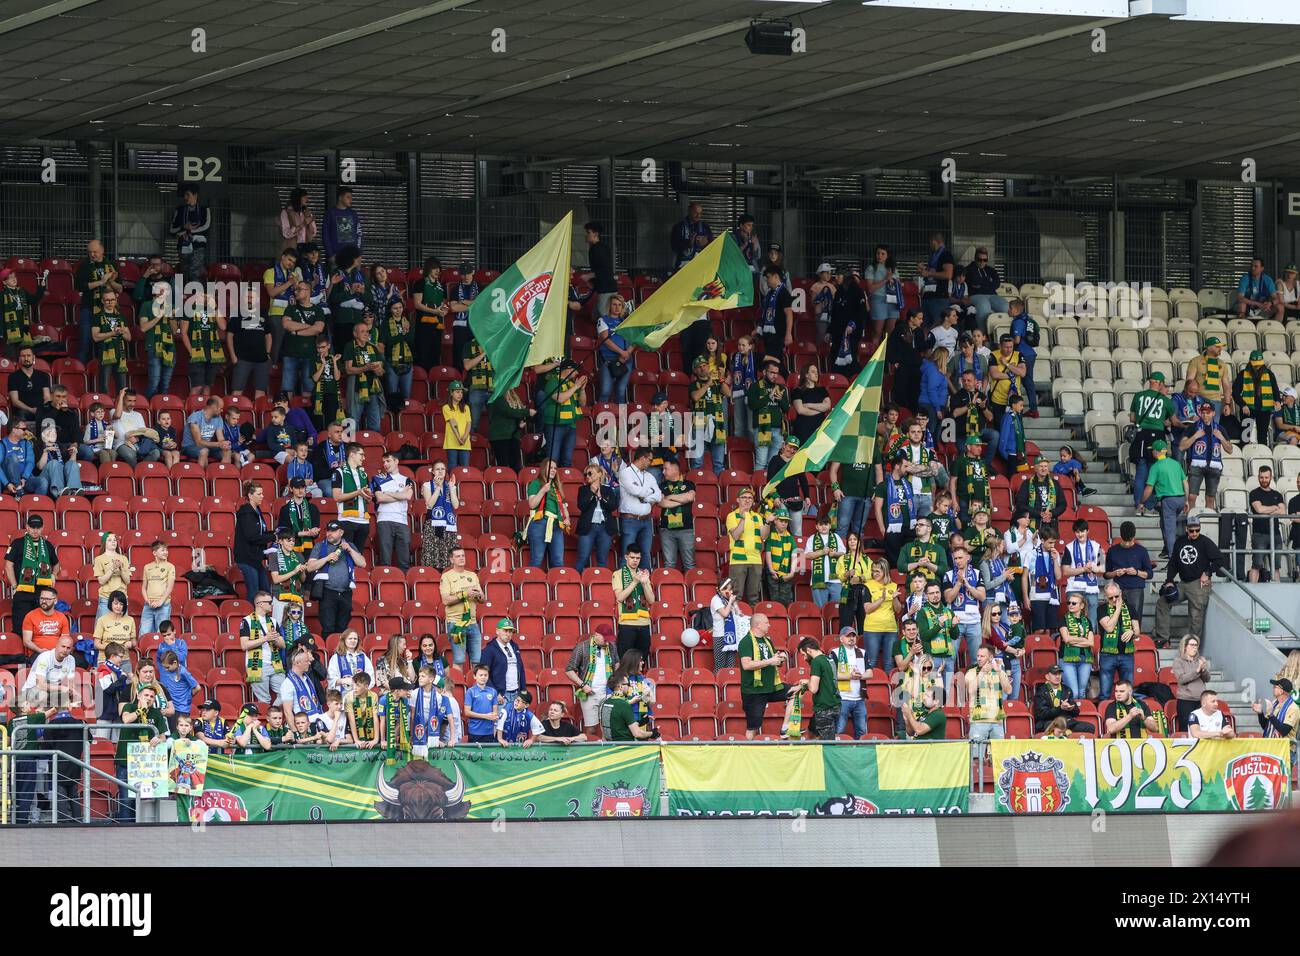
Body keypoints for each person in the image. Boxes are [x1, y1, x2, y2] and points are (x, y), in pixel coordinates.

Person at [1154, 513, 1224, 647]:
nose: (1194, 533)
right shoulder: (1180, 541)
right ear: (1186, 529)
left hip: (1198, 583)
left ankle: (1192, 646)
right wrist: (1169, 580)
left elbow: (1220, 559)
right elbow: (1173, 563)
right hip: (1182, 583)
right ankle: (1163, 639)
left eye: (1197, 530)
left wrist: (1207, 573)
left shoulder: (1205, 542)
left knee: (1195, 616)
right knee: (1162, 603)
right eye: (1191, 530)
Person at [115, 684, 169, 821]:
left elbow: (163, 737)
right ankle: (125, 829)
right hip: (125, 761)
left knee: (143, 798)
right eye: (146, 695)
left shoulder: (156, 713)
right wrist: (141, 710)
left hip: (145, 764)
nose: (149, 698)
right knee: (126, 799)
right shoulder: (130, 706)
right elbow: (126, 719)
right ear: (139, 696)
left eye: (152, 697)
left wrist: (158, 739)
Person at [308, 520, 367, 639]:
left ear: (341, 532)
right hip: (327, 592)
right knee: (328, 628)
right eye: (328, 531)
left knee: (342, 629)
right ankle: (329, 656)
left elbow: (362, 563)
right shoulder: (319, 546)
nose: (329, 534)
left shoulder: (349, 545)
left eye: (333, 531)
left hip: (345, 592)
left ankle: (340, 655)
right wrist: (326, 558)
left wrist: (350, 550)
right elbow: (310, 567)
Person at [738, 613, 789, 740]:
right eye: (766, 622)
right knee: (753, 727)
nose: (769, 625)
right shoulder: (746, 641)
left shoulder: (767, 641)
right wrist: (770, 661)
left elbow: (773, 663)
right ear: (758, 625)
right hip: (754, 691)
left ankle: (786, 727)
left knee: (797, 690)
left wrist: (779, 659)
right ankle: (748, 753)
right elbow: (746, 665)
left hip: (771, 687)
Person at [565, 622, 619, 739]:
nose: (607, 642)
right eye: (605, 639)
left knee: (609, 725)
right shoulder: (582, 647)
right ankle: (591, 750)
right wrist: (583, 685)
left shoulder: (612, 646)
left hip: (608, 691)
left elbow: (617, 663)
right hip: (589, 692)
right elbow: (569, 670)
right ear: (596, 635)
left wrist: (616, 679)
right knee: (591, 727)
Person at [6, 514, 56, 631]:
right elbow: (8, 566)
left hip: (42, 593)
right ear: (27, 527)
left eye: (38, 527)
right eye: (32, 527)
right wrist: (14, 585)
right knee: (20, 627)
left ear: (42, 528)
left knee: (41, 627)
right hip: (22, 591)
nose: (35, 530)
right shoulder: (17, 543)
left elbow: (57, 564)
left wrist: (53, 574)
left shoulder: (48, 545)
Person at [1179, 400, 1231, 513]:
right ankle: (1191, 521)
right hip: (1196, 465)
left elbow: (1230, 449)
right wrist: (1195, 437)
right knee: (1191, 496)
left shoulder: (1219, 428)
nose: (1205, 415)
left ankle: (1209, 524)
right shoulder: (1193, 427)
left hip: (1214, 466)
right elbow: (1182, 446)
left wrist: (1221, 438)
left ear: (1213, 413)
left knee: (1210, 498)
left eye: (1208, 412)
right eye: (1203, 412)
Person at [1138, 440, 1187, 557]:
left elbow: (1149, 488)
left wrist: (1141, 502)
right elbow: (1185, 482)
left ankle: (1172, 561)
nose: (1152, 452)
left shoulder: (1155, 467)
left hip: (1168, 501)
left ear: (1156, 452)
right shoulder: (1176, 463)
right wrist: (1186, 500)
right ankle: (1167, 550)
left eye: (1153, 450)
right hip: (1180, 499)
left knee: (1170, 532)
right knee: (1165, 524)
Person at [439, 545, 484, 667]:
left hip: (473, 623)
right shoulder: (446, 576)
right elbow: (445, 600)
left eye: (463, 555)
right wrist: (465, 594)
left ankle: (476, 686)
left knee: (477, 661)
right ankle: (459, 686)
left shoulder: (472, 575)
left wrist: (478, 596)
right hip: (456, 624)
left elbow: (483, 599)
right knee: (459, 660)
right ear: (451, 560)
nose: (461, 558)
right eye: (458, 556)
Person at [790, 637, 841, 741]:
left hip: (824, 708)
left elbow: (813, 688)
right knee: (811, 732)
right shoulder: (829, 659)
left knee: (828, 744)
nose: (804, 658)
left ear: (809, 650)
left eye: (804, 654)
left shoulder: (816, 662)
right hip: (834, 704)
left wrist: (806, 682)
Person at [724, 486, 769, 604]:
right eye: (744, 497)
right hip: (738, 560)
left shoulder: (757, 516)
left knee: (754, 597)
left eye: (750, 498)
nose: (747, 500)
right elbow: (736, 535)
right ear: (738, 500)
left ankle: (753, 621)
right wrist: (743, 519)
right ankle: (735, 621)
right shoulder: (732, 516)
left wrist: (768, 522)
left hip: (755, 559)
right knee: (736, 596)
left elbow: (764, 536)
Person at [370, 452, 413, 570]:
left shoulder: (406, 480)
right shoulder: (377, 479)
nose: (385, 464)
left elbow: (408, 496)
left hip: (402, 521)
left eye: (388, 461)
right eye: (383, 462)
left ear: (396, 461)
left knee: (404, 560)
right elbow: (380, 498)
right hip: (384, 520)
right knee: (385, 560)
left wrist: (388, 493)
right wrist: (400, 493)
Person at [524, 458, 570, 569]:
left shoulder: (557, 487)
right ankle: (532, 585)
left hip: (557, 525)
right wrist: (543, 490)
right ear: (544, 469)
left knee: (558, 561)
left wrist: (567, 518)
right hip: (540, 522)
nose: (554, 470)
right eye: (551, 468)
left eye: (555, 468)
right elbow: (532, 504)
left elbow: (564, 508)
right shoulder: (535, 484)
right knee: (537, 559)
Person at [233, 481, 274, 602]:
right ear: (250, 496)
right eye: (259, 494)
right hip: (246, 558)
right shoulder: (246, 512)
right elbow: (252, 536)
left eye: (262, 494)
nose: (262, 496)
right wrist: (273, 537)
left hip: (256, 559)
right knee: (254, 592)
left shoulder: (257, 511)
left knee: (265, 591)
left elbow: (262, 532)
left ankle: (263, 619)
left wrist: (275, 534)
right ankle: (251, 619)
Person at [1104, 521, 1153, 623]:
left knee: (1134, 618)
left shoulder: (1141, 551)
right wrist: (1115, 573)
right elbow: (1106, 574)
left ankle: (1135, 637)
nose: (1127, 544)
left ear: (1134, 537)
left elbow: (1150, 574)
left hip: (1136, 590)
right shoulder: (1112, 551)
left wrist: (1137, 572)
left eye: (1129, 541)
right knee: (1116, 619)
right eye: (1124, 541)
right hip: (1117, 590)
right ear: (1121, 536)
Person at [748, 357, 790, 472]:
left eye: (776, 373)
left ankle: (770, 490)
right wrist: (768, 397)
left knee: (773, 465)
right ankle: (759, 488)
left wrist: (781, 399)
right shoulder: (755, 386)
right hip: (762, 429)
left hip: (778, 430)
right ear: (765, 372)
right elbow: (752, 406)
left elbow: (787, 409)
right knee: (761, 463)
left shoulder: (781, 388)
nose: (774, 376)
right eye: (772, 372)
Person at [688, 354, 728, 475]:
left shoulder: (717, 384)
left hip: (718, 424)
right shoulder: (693, 385)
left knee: (719, 464)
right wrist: (708, 383)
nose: (703, 368)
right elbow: (695, 396)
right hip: (700, 424)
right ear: (695, 370)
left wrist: (721, 378)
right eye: (699, 367)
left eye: (705, 365)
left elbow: (728, 393)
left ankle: (719, 492)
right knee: (697, 463)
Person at [612, 545, 655, 658]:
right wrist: (635, 582)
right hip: (627, 624)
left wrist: (645, 583)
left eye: (638, 558)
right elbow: (620, 598)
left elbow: (651, 600)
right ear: (626, 557)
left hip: (644, 623)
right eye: (632, 557)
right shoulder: (618, 574)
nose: (635, 560)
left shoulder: (644, 574)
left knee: (642, 659)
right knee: (625, 659)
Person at [418, 459, 459, 570]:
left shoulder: (450, 485)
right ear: (433, 471)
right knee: (432, 553)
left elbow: (455, 505)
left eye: (443, 469)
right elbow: (430, 504)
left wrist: (450, 488)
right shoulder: (427, 485)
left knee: (447, 553)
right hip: (433, 524)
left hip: (448, 525)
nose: (440, 471)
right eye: (437, 469)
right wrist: (438, 488)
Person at [656, 457, 696, 571]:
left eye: (665, 469)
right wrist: (682, 500)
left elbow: (690, 497)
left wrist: (670, 497)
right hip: (666, 530)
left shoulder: (689, 484)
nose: (663, 472)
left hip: (686, 529)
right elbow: (661, 503)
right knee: (669, 565)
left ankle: (690, 588)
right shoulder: (661, 485)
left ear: (675, 469)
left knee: (690, 564)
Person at [332, 441, 373, 553]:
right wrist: (358, 492)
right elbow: (336, 497)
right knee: (345, 555)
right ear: (352, 454)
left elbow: (368, 500)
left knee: (359, 554)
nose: (363, 458)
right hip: (347, 519)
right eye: (361, 454)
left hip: (363, 520)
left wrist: (368, 495)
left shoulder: (363, 474)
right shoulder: (339, 472)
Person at [966, 644, 1011, 743]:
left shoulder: (999, 672)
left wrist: (999, 672)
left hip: (997, 721)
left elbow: (1008, 690)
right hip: (978, 720)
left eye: (982, 656)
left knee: (998, 756)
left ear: (991, 657)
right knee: (976, 755)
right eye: (978, 656)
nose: (978, 658)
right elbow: (970, 690)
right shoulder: (971, 672)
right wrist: (982, 672)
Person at [1249, 465, 1286, 582]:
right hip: (1259, 534)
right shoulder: (1254, 493)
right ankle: (1252, 592)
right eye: (1261, 477)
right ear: (1258, 477)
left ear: (1271, 477)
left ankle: (1278, 593)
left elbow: (1283, 512)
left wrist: (1267, 509)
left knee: (1276, 566)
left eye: (1266, 477)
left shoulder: (1277, 494)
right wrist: (1275, 507)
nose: (1264, 480)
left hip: (1275, 534)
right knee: (1257, 564)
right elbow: (1259, 510)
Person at [916, 580, 958, 687]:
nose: (935, 595)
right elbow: (924, 636)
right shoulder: (922, 612)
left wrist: (953, 626)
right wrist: (939, 625)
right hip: (932, 658)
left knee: (948, 693)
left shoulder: (949, 611)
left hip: (948, 657)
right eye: (931, 593)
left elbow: (955, 635)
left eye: (937, 592)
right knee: (934, 692)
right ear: (926, 595)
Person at [1234, 350, 1279, 443]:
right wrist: (1243, 405)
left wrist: (1278, 401)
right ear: (1250, 362)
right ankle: (1244, 453)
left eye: (1259, 364)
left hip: (1264, 410)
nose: (1257, 366)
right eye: (1255, 364)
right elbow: (1235, 392)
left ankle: (1262, 456)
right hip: (1248, 410)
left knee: (1262, 437)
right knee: (1245, 436)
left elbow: (1275, 390)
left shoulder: (1269, 374)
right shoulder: (1242, 374)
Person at [1057, 592, 1095, 700]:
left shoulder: (1087, 621)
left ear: (1082, 606)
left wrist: (1075, 640)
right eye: (1068, 603)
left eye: (1074, 603)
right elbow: (1066, 639)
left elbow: (1091, 643)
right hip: (1067, 660)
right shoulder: (1063, 619)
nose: (1070, 605)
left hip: (1085, 659)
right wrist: (1084, 640)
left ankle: (1081, 716)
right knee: (1074, 692)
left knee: (1082, 692)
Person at [1032, 664, 1090, 734]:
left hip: (1065, 721)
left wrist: (1071, 708)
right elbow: (1041, 714)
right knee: (1055, 726)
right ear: (1047, 676)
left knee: (1089, 727)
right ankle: (1066, 733)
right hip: (1048, 721)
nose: (1057, 676)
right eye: (1054, 674)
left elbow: (1076, 712)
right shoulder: (1041, 691)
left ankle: (1067, 733)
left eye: (1059, 674)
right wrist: (1060, 708)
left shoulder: (1067, 690)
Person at [480, 618, 526, 707]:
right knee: (500, 720)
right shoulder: (489, 650)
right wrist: (495, 693)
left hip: (516, 693)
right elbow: (483, 673)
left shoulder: (514, 646)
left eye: (510, 631)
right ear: (497, 631)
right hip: (501, 695)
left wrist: (523, 690)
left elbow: (520, 668)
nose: (508, 634)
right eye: (505, 631)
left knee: (515, 720)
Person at [804, 513, 844, 609]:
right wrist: (822, 552)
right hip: (818, 580)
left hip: (836, 579)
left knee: (838, 608)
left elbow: (844, 553)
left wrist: (835, 554)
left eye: (826, 524)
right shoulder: (812, 538)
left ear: (830, 525)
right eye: (821, 524)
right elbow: (807, 555)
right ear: (816, 526)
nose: (824, 527)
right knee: (820, 609)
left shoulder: (836, 537)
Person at [1007, 298, 1040, 416]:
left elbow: (1016, 340)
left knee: (1019, 379)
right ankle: (1032, 409)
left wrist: (1005, 342)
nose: (1008, 310)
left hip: (1022, 354)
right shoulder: (1028, 319)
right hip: (1030, 353)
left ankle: (1021, 407)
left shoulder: (1018, 322)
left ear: (1015, 310)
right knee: (1027, 381)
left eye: (1010, 308)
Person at [1171, 635, 1211, 731]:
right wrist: (1197, 671)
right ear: (1185, 646)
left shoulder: (1199, 660)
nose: (1195, 647)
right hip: (1186, 701)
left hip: (1201, 700)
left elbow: (1207, 678)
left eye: (1196, 645)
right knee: (1186, 728)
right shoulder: (1178, 661)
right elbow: (1181, 679)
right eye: (1192, 645)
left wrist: (1203, 669)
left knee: (1203, 728)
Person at [1254, 677, 1298, 765]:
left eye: (1275, 687)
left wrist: (1271, 715)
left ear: (1282, 691)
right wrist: (1260, 713)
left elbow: (1284, 731)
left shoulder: (1293, 708)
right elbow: (1265, 726)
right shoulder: (1275, 703)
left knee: (1282, 779)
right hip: (1271, 748)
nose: (1273, 688)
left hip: (1285, 751)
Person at [709, 577, 749, 669]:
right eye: (725, 589)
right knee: (720, 666)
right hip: (720, 635)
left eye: (730, 589)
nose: (728, 592)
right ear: (720, 589)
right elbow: (725, 614)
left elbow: (739, 614)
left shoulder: (728, 600)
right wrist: (731, 602)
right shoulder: (716, 599)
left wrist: (734, 604)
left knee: (730, 666)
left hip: (732, 636)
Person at [1185, 337, 1230, 419]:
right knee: (1198, 427)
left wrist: (1227, 404)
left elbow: (1226, 385)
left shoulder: (1223, 364)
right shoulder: (1196, 361)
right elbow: (1189, 382)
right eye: (1217, 346)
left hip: (1216, 401)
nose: (1220, 348)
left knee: (1213, 427)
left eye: (1221, 346)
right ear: (1209, 347)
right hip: (1198, 400)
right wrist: (1190, 401)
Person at [21, 586, 68, 659]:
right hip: (37, 653)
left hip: (57, 653)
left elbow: (65, 640)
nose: (43, 601)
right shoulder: (30, 616)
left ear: (55, 601)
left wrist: (58, 652)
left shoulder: (62, 617)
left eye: (47, 599)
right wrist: (39, 650)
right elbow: (26, 641)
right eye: (42, 598)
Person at [762, 507, 797, 606]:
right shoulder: (771, 535)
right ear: (775, 521)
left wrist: (792, 573)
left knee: (786, 600)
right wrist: (771, 569)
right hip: (773, 573)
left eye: (786, 521)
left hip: (786, 573)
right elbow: (768, 553)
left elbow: (794, 555)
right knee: (774, 599)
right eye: (781, 521)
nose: (784, 524)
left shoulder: (790, 537)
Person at [463, 664, 501, 744]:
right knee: (475, 756)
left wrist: (494, 717)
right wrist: (485, 716)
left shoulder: (493, 691)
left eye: (485, 675)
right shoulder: (470, 692)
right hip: (474, 731)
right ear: (474, 676)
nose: (483, 677)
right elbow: (467, 712)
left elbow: (495, 712)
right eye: (481, 675)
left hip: (489, 732)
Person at [441, 381, 472, 468]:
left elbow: (469, 423)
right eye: (457, 392)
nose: (460, 394)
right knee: (452, 468)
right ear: (451, 393)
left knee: (465, 468)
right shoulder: (446, 407)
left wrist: (465, 437)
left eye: (461, 392)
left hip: (465, 443)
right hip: (451, 443)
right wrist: (459, 438)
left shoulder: (466, 407)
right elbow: (452, 422)